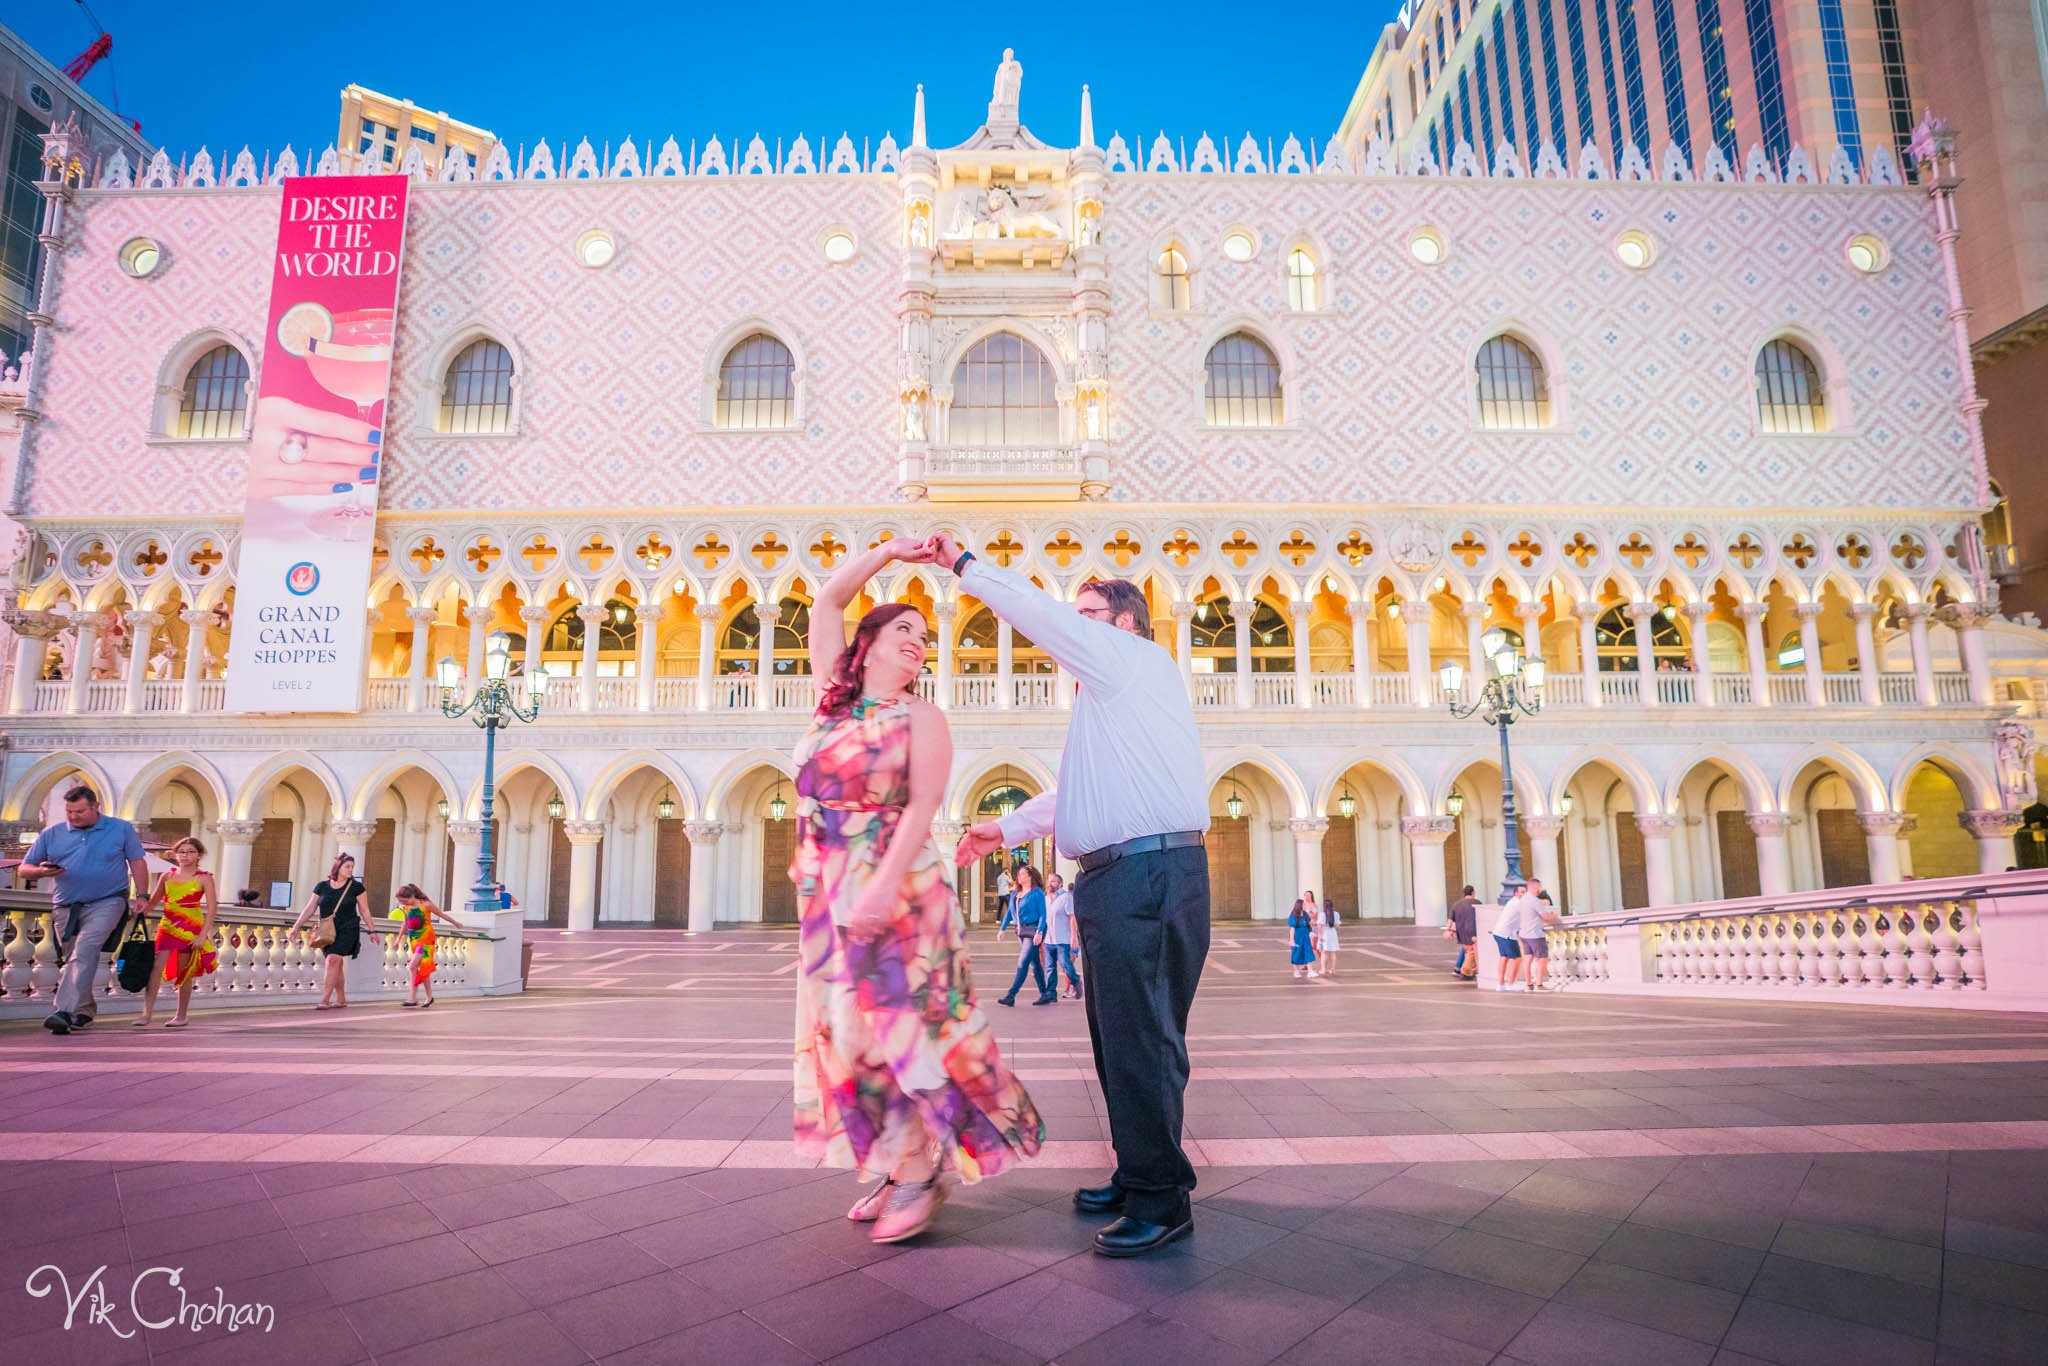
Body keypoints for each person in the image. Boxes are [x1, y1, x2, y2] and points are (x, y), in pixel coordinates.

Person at [940, 532, 1210, 1259]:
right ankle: (1139, 1172)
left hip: (1144, 879)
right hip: (1129, 878)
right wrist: (1004, 827)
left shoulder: (1134, 662)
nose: (1075, 624)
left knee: (1141, 1043)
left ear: (1125, 625)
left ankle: (1161, 1200)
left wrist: (966, 567)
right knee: (1125, 1041)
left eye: (1088, 613)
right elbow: (1078, 796)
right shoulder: (1116, 700)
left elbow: (1040, 617)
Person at [790, 536, 1042, 1246]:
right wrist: (889, 552)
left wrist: (882, 886)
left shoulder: (922, 718)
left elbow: (923, 807)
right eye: (905, 631)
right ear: (864, 645)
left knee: (894, 1027)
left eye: (926, 640)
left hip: (899, 890)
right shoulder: (832, 706)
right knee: (847, 1035)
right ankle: (904, 1159)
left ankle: (918, 1174)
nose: (919, 645)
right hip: (831, 894)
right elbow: (828, 598)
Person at [19, 785, 149, 1036]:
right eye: (69, 811)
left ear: (95, 806)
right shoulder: (52, 833)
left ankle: (63, 1011)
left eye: (79, 811)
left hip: (108, 901)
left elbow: (137, 862)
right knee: (76, 960)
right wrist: (42, 872)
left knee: (85, 950)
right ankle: (84, 1011)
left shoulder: (120, 829)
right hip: (65, 906)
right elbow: (25, 869)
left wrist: (142, 895)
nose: (73, 816)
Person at [137, 836, 219, 1027]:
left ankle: (181, 1015)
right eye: (181, 852)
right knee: (156, 968)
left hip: (191, 927)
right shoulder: (167, 876)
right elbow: (154, 901)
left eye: (190, 852)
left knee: (185, 971)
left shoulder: (204, 878)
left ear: (199, 855)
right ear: (175, 854)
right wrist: (138, 911)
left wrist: (202, 934)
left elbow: (212, 909)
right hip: (168, 925)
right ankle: (146, 1013)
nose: (185, 856)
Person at [289, 854, 367, 1010]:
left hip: (348, 928)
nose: (351, 869)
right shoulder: (322, 886)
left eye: (352, 866)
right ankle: (341, 998)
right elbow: (310, 908)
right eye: (347, 866)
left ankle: (324, 999)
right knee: (335, 964)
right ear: (338, 867)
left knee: (332, 960)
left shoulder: (356, 887)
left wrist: (372, 931)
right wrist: (296, 926)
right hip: (327, 930)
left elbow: (365, 910)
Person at [393, 885, 462, 1007]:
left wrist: (455, 923)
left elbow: (442, 915)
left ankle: (412, 997)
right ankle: (429, 997)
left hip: (426, 939)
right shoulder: (406, 907)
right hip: (414, 940)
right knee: (423, 968)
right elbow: (405, 923)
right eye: (402, 902)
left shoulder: (426, 905)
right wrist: (398, 939)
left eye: (405, 900)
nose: (404, 903)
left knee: (412, 966)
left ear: (412, 896)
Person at [998, 864, 1055, 1006]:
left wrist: (1039, 932)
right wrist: (1002, 929)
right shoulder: (1015, 894)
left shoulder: (1037, 893)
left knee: (1022, 962)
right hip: (1021, 931)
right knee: (1035, 963)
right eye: (1019, 874)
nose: (1019, 876)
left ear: (1030, 876)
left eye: (1023, 874)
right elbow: (1010, 913)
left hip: (1034, 930)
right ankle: (1045, 994)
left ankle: (1011, 995)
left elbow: (1043, 914)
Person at [1516, 878, 1562, 990]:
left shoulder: (1523, 899)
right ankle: (1540, 984)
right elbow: (1545, 917)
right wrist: (1554, 916)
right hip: (1535, 934)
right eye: (1539, 887)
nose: (1540, 889)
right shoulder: (1534, 900)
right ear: (1535, 887)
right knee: (1542, 958)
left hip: (1524, 933)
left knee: (1528, 958)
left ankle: (1529, 983)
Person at [1044, 872, 1082, 1000]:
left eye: (1053, 881)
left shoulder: (1066, 898)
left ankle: (1076, 981)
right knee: (1050, 968)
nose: (1050, 884)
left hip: (1062, 939)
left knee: (1065, 964)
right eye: (1049, 881)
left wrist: (1073, 937)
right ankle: (1051, 994)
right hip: (1048, 939)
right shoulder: (1046, 899)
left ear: (1060, 884)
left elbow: (1072, 918)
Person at [1491, 895, 1527, 992]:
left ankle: (1501, 984)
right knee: (1517, 958)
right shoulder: (1517, 903)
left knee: (1504, 957)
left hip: (1500, 932)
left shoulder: (1513, 902)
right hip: (1507, 934)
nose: (1524, 894)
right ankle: (1511, 983)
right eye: (1521, 892)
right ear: (1516, 893)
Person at [1448, 885, 1479, 979]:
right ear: (1473, 893)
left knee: (1465, 949)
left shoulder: (1457, 904)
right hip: (1473, 930)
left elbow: (1451, 920)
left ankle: (1458, 968)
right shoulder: (1477, 903)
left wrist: (1449, 930)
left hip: (1461, 931)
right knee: (1473, 951)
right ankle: (1468, 970)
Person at [1287, 899, 1317, 980]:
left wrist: (1312, 931)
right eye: (1304, 904)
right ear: (1299, 906)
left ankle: (1310, 971)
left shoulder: (1305, 914)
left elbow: (1309, 923)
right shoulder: (1293, 916)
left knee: (1308, 952)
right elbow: (1292, 928)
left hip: (1306, 936)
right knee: (1296, 953)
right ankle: (1296, 971)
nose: (1305, 906)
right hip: (1297, 937)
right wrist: (1292, 939)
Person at [1317, 898, 1341, 978]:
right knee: (1333, 952)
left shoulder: (1322, 914)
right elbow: (1337, 926)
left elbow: (1319, 926)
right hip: (1333, 933)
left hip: (1325, 933)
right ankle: (1333, 969)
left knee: (1324, 952)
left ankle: (1323, 969)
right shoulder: (1336, 914)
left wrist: (1320, 936)